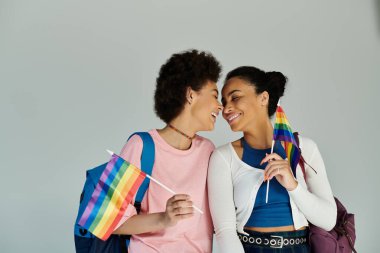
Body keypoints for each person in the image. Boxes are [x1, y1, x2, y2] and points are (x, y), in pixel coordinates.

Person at [207, 66, 336, 253]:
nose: (226, 109)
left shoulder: (304, 149)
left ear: (263, 98)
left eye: (235, 98)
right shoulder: (223, 157)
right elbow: (224, 231)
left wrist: (293, 185)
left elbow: (328, 220)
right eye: (224, 101)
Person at [113, 49, 223, 253]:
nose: (220, 106)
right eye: (215, 96)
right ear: (191, 95)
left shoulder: (208, 150)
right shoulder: (140, 145)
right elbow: (108, 220)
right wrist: (164, 218)